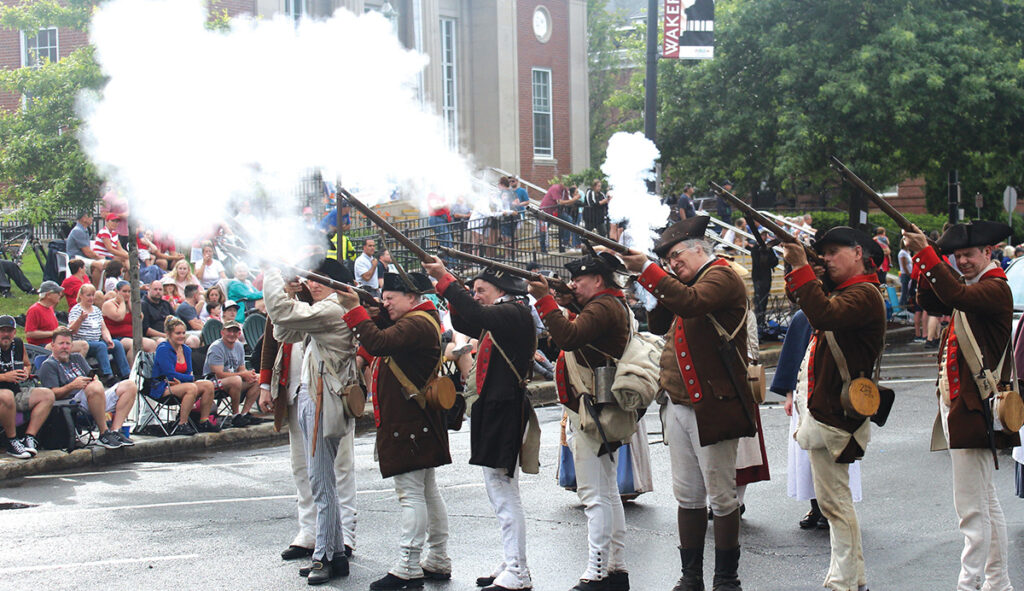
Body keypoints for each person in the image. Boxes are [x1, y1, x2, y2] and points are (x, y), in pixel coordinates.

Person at [621, 215, 754, 591]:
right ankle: (691, 576)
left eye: (677, 256)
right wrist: (653, 280)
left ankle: (727, 578)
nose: (673, 264)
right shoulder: (687, 282)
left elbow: (692, 304)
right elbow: (661, 323)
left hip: (714, 402)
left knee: (722, 496)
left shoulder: (721, 276)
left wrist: (651, 271)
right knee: (688, 495)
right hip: (679, 402)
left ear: (700, 249)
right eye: (668, 260)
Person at [904, 220, 1017, 591]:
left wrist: (926, 253)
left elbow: (954, 297)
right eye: (958, 255)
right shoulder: (972, 287)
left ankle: (968, 584)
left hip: (974, 408)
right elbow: (929, 299)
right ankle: (997, 581)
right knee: (985, 502)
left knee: (971, 510)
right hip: (961, 407)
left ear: (988, 253)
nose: (963, 261)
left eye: (969, 254)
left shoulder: (995, 288)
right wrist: (928, 259)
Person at [780, 226, 886, 591]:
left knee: (836, 503)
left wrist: (802, 265)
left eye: (834, 252)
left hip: (836, 414)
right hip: (826, 410)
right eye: (822, 253)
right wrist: (798, 265)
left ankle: (844, 581)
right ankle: (852, 579)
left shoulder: (864, 294)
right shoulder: (848, 291)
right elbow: (801, 297)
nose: (827, 258)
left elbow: (822, 313)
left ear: (858, 253)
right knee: (833, 501)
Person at [423, 259, 539, 591]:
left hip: (503, 409)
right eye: (473, 291)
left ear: (501, 290)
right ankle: (511, 560)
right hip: (495, 408)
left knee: (503, 493)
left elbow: (476, 317)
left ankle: (518, 569)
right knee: (500, 490)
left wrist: (446, 280)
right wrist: (449, 288)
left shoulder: (512, 312)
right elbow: (469, 318)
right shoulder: (503, 314)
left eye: (481, 290)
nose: (476, 296)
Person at [340, 272, 452, 591]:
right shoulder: (420, 318)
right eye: (384, 297)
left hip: (409, 423)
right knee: (427, 491)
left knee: (411, 493)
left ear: (413, 298)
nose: (386, 303)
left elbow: (377, 342)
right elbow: (386, 333)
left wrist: (356, 311)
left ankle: (408, 564)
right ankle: (439, 558)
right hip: (415, 420)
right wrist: (373, 309)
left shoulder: (416, 323)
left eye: (391, 298)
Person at [527, 252, 631, 591]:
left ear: (598, 281)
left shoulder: (602, 307)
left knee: (593, 494)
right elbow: (572, 334)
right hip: (595, 406)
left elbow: (568, 337)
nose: (573, 284)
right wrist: (567, 301)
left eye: (579, 280)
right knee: (606, 490)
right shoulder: (607, 304)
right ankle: (616, 568)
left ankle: (596, 571)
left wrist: (544, 300)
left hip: (592, 410)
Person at [261, 259, 361, 585]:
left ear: (339, 287)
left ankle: (325, 556)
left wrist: (273, 274)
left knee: (321, 482)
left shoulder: (332, 310)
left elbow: (281, 313)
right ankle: (335, 554)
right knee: (322, 480)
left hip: (322, 400)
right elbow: (282, 329)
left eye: (322, 280)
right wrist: (290, 294)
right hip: (313, 396)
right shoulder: (324, 308)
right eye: (313, 278)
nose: (313, 284)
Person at [769, 310, 862, 530]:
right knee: (806, 455)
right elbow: (793, 358)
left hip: (835, 397)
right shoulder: (803, 317)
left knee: (835, 454)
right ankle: (816, 505)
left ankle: (834, 506)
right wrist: (790, 396)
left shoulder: (841, 314)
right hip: (805, 396)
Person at [38, 328, 137, 449]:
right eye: (61, 343)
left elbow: (93, 376)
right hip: (73, 403)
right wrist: (72, 386)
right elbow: (51, 394)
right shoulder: (48, 365)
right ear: (53, 345)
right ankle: (103, 433)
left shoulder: (77, 358)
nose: (65, 347)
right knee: (94, 387)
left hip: (94, 397)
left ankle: (115, 431)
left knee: (130, 385)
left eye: (68, 343)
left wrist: (94, 379)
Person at [150, 317, 218, 436]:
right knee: (191, 388)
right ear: (169, 334)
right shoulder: (163, 349)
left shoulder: (186, 349)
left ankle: (204, 421)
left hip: (180, 383)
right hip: (163, 385)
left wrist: (186, 380)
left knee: (208, 385)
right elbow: (169, 374)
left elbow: (188, 372)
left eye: (183, 333)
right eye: (178, 333)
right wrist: (190, 380)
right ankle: (182, 424)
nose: (181, 336)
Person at [0, 315, 55, 458]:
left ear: (14, 333)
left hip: (16, 391)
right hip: (3, 394)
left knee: (47, 395)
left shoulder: (18, 344)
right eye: (2, 330)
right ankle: (12, 441)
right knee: (6, 395)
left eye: (9, 331)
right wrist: (4, 377)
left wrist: (26, 372)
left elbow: (27, 364)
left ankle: (29, 437)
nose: (6, 334)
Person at [203, 320, 260, 428]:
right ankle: (235, 415)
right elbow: (218, 374)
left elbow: (242, 369)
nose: (232, 334)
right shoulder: (216, 347)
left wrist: (248, 374)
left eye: (235, 331)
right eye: (229, 331)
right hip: (212, 383)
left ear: (239, 334)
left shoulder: (239, 346)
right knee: (236, 380)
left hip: (234, 381)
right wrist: (242, 375)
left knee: (259, 378)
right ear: (222, 332)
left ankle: (244, 413)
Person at [68, 284, 131, 382]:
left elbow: (104, 328)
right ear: (81, 296)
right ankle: (107, 375)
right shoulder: (76, 310)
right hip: (84, 343)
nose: (91, 298)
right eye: (88, 295)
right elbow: (72, 330)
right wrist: (80, 319)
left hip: (97, 340)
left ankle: (125, 373)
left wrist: (108, 339)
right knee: (100, 345)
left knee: (117, 344)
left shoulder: (96, 310)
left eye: (93, 295)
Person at [25, 281, 89, 355]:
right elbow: (30, 333)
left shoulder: (50, 308)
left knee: (83, 345)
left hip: (55, 342)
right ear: (48, 295)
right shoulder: (34, 310)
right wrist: (53, 333)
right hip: (41, 347)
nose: (60, 295)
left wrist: (61, 329)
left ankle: (75, 366)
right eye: (57, 293)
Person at [103, 280, 157, 361]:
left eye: (129, 292)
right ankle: (132, 370)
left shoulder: (130, 304)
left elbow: (140, 318)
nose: (127, 294)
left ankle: (148, 369)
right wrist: (121, 302)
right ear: (116, 291)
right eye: (124, 291)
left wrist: (131, 304)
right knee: (135, 345)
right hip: (117, 338)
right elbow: (119, 317)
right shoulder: (109, 304)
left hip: (133, 336)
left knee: (151, 344)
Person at [142, 280, 199, 348]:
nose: (158, 292)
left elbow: (177, 320)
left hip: (173, 334)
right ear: (149, 290)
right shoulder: (143, 304)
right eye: (155, 289)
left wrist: (177, 334)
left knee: (194, 340)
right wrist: (165, 335)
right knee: (164, 343)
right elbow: (146, 330)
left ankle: (187, 358)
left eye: (160, 289)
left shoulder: (166, 304)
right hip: (156, 336)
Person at [65, 210, 107, 287]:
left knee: (104, 264)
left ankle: (101, 289)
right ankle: (95, 291)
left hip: (83, 258)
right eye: (90, 216)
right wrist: (100, 257)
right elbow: (87, 252)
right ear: (84, 219)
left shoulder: (84, 230)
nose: (92, 218)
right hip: (76, 259)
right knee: (99, 265)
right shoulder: (78, 231)